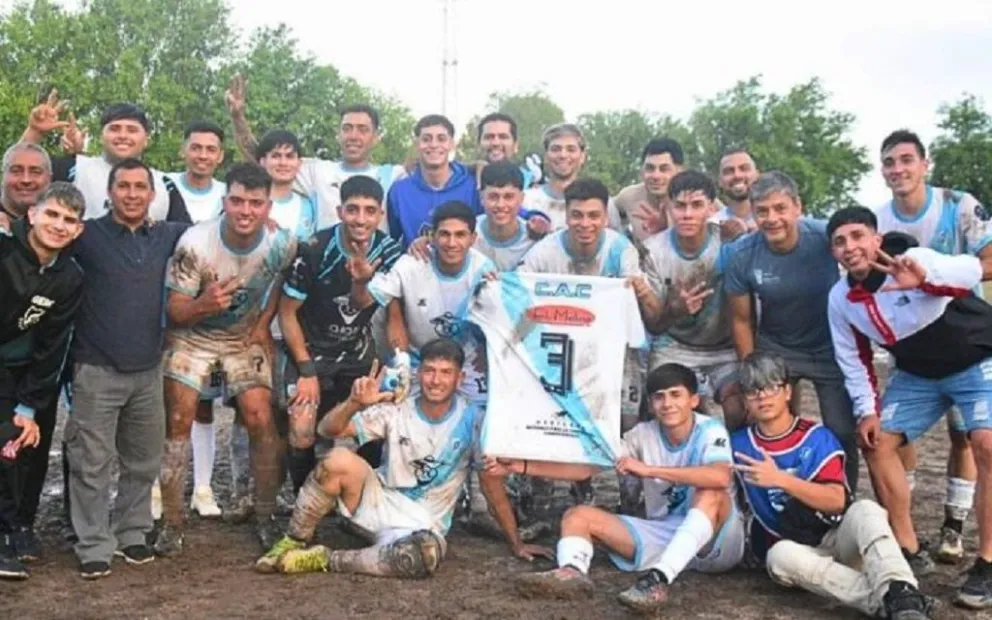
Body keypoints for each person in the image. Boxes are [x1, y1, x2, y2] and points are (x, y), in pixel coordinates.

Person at [826, 206, 992, 609]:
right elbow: (853, 359)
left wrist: (927, 280)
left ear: (876, 239)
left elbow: (971, 271)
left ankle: (988, 562)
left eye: (858, 236)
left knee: (986, 443)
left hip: (975, 358)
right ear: (833, 252)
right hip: (917, 374)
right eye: (840, 241)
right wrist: (867, 410)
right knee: (876, 441)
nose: (850, 247)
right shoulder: (840, 298)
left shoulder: (916, 259)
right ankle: (908, 548)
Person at [512, 363, 744, 615]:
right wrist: (522, 466)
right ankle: (571, 571)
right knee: (577, 515)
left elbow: (720, 477)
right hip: (667, 533)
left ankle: (657, 580)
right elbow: (587, 468)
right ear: (650, 404)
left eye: (676, 395)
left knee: (709, 492)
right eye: (659, 397)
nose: (667, 404)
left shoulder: (710, 429)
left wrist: (649, 470)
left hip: (717, 542)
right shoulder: (642, 434)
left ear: (694, 400)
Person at [155, 162, 297, 556]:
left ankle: (265, 515)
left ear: (268, 207)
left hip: (242, 336)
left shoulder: (283, 243)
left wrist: (264, 323)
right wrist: (203, 304)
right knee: (179, 419)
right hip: (192, 335)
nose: (245, 211)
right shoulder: (195, 243)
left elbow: (283, 280)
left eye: (255, 203)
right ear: (224, 201)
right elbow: (174, 310)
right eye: (237, 201)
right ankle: (172, 523)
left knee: (261, 417)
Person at [254, 338, 486, 578]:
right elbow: (326, 430)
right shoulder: (397, 407)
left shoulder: (473, 419)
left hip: (425, 524)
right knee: (337, 460)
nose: (436, 380)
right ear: (418, 373)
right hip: (378, 501)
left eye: (446, 372)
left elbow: (491, 476)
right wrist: (354, 403)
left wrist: (508, 534)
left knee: (421, 557)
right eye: (429, 371)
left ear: (460, 379)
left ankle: (327, 559)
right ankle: (292, 541)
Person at [732, 352, 934, 620]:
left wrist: (780, 479)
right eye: (753, 391)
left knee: (866, 509)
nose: (763, 397)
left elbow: (837, 501)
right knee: (778, 557)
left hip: (837, 537)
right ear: (745, 400)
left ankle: (901, 587)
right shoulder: (738, 444)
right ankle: (896, 601)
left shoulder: (817, 437)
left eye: (771, 387)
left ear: (788, 392)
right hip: (797, 549)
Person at [66, 159, 194, 579]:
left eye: (141, 187)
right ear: (109, 192)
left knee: (143, 460)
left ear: (152, 195)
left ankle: (132, 532)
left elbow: (216, 233)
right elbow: (40, 235)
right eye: (124, 186)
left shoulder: (167, 236)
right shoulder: (86, 235)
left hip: (148, 370)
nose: (133, 194)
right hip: (95, 367)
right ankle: (93, 542)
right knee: (91, 462)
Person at [873, 129, 992, 565]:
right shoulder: (878, 222)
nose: (898, 169)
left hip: (966, 339)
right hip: (912, 348)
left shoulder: (958, 206)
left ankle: (955, 525)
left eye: (907, 159)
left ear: (925, 164)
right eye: (890, 162)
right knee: (895, 437)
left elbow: (990, 259)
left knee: (969, 438)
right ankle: (906, 534)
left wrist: (936, 277)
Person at [516, 177, 664, 511]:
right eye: (577, 215)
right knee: (549, 416)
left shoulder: (620, 250)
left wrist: (640, 290)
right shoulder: (544, 252)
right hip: (561, 351)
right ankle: (543, 497)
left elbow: (648, 308)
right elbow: (518, 292)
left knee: (625, 421)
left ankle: (628, 495)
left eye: (594, 215)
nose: (585, 223)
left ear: (605, 217)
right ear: (566, 215)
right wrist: (500, 284)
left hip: (614, 352)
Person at [723, 171, 858, 486]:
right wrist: (751, 373)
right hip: (777, 346)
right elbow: (741, 319)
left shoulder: (825, 237)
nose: (772, 218)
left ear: (798, 207)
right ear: (752, 213)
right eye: (762, 211)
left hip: (830, 346)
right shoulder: (743, 254)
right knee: (768, 420)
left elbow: (861, 264)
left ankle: (842, 497)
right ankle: (765, 493)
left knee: (841, 429)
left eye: (780, 208)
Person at [279, 175, 402, 493]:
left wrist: (401, 362)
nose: (360, 219)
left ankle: (365, 499)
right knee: (302, 426)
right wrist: (306, 370)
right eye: (353, 209)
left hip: (357, 349)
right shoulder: (314, 249)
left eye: (369, 211)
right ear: (339, 211)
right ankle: (305, 500)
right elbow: (287, 312)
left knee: (373, 420)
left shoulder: (389, 252)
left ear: (380, 215)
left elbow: (370, 305)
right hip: (310, 348)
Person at [0, 182, 84, 580]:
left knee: (33, 438)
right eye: (51, 214)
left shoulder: (70, 276)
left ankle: (20, 524)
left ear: (78, 230)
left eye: (69, 219)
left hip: (28, 369)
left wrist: (30, 404)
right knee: (7, 438)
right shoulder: (4, 252)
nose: (58, 225)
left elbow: (54, 342)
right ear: (32, 214)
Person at [158, 119, 230, 520]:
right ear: (183, 149)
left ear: (220, 156)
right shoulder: (161, 187)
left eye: (210, 149)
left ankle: (203, 488)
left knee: (203, 405)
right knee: (164, 403)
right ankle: (157, 487)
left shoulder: (228, 194)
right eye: (196, 147)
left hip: (212, 312)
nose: (202, 155)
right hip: (167, 306)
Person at [225, 74, 406, 229]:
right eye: (347, 128)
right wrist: (237, 117)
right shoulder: (317, 171)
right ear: (338, 134)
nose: (353, 136)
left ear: (375, 137)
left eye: (362, 129)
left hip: (375, 259)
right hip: (324, 259)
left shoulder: (394, 175)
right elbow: (261, 157)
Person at [642, 170, 745, 426]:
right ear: (668, 207)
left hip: (724, 348)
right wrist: (676, 310)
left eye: (697, 205)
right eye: (680, 206)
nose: (687, 214)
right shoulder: (654, 251)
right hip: (675, 346)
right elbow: (653, 324)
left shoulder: (729, 243)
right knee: (663, 407)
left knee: (737, 408)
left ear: (711, 208)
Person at [20, 90, 190, 223]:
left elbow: (187, 237)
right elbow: (18, 172)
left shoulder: (164, 184)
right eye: (114, 129)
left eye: (132, 130)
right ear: (101, 136)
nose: (123, 136)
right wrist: (35, 132)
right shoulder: (76, 168)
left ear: (146, 140)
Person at [385, 115, 480, 249]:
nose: (434, 145)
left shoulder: (474, 185)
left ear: (452, 144)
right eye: (426, 139)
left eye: (441, 139)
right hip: (416, 261)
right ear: (417, 144)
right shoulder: (399, 191)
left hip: (465, 261)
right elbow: (390, 241)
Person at [608, 137, 685, 242]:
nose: (656, 176)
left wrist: (666, 229)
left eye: (664, 169)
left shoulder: (693, 202)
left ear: (680, 171)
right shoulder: (629, 197)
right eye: (650, 168)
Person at [471, 161, 538, 271]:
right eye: (493, 197)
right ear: (481, 198)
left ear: (521, 198)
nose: (500, 205)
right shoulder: (467, 234)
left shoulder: (534, 239)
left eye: (508, 197)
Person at [523, 123, 587, 231]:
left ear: (582, 156)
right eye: (556, 149)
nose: (563, 155)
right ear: (546, 156)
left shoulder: (598, 203)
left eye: (571, 149)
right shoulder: (526, 201)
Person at [2, 143, 52, 220]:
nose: (26, 180)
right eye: (16, 171)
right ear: (3, 176)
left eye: (35, 172)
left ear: (49, 178)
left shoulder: (62, 221)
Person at [713, 147, 759, 231]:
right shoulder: (713, 226)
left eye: (744, 168)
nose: (737, 175)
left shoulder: (774, 220)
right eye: (729, 171)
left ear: (757, 175)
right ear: (720, 180)